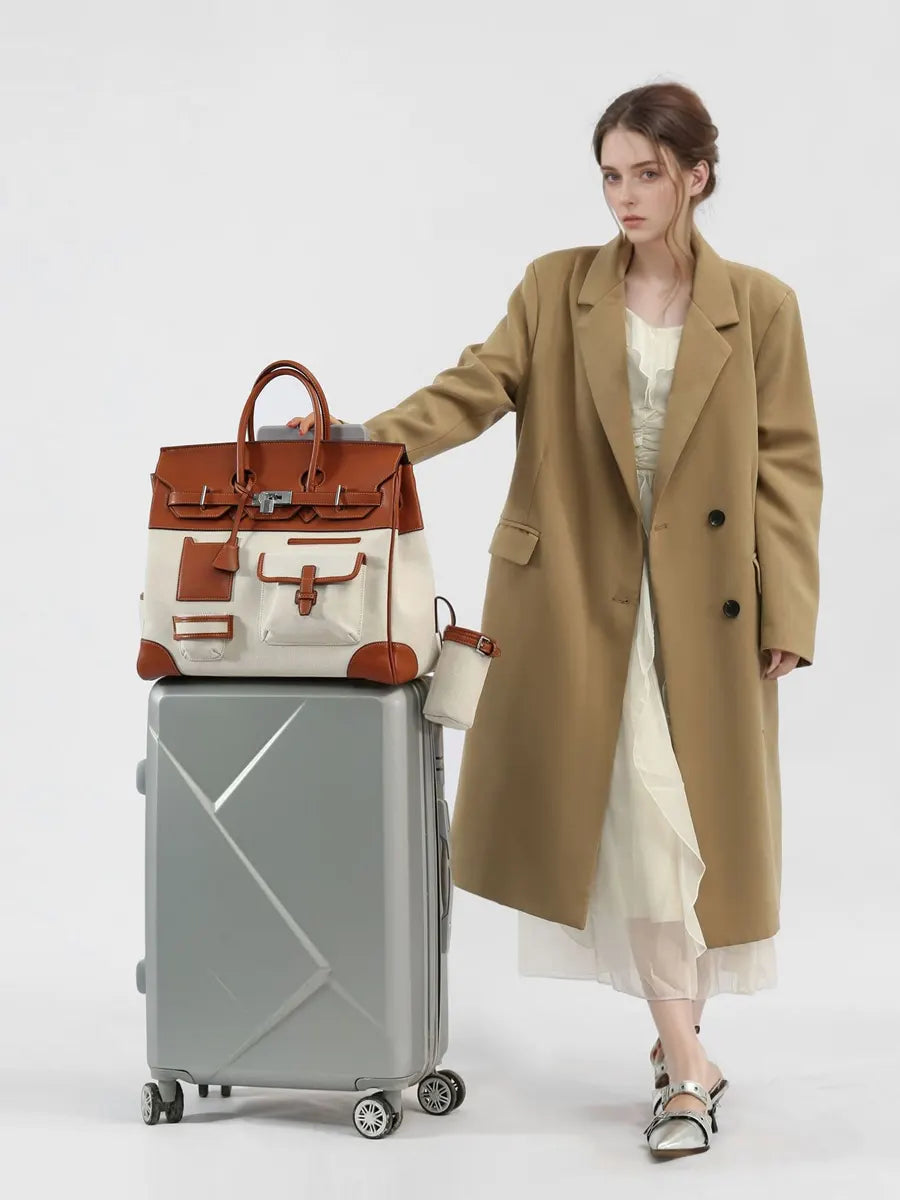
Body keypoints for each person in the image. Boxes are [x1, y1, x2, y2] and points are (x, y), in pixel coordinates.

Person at [287, 81, 823, 1158]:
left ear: (696, 176)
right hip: (584, 599)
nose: (625, 195)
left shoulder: (760, 305)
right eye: (612, 175)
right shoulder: (555, 288)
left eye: (647, 174)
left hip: (707, 617)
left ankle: (684, 1050)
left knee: (678, 834)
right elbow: (476, 388)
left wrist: (791, 606)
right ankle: (688, 1067)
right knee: (638, 813)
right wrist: (367, 441)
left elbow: (788, 467)